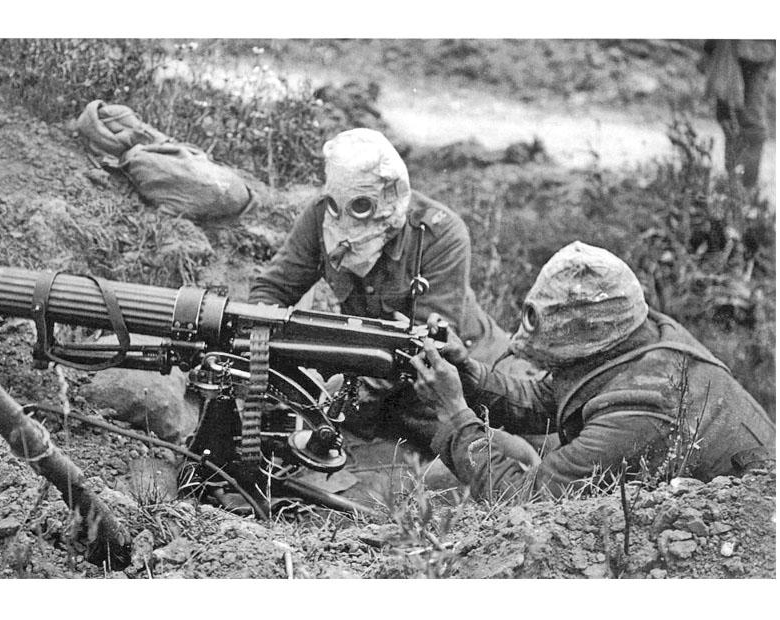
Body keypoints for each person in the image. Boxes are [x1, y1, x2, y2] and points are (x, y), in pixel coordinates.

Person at [410, 241, 775, 500]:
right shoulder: (637, 335)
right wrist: (469, 373)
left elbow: (524, 501)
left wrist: (455, 414)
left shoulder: (641, 408)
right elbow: (551, 398)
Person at [249, 128, 519, 448]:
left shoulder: (439, 234)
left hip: (456, 374)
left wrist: (344, 391)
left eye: (362, 205)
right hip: (375, 372)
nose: (347, 219)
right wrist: (264, 358)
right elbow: (272, 290)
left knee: (480, 455)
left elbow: (427, 348)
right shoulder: (321, 217)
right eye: (339, 204)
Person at [702, 40, 775, 192]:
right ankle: (734, 188)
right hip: (730, 47)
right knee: (728, 117)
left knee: (749, 121)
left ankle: (745, 190)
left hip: (755, 49)